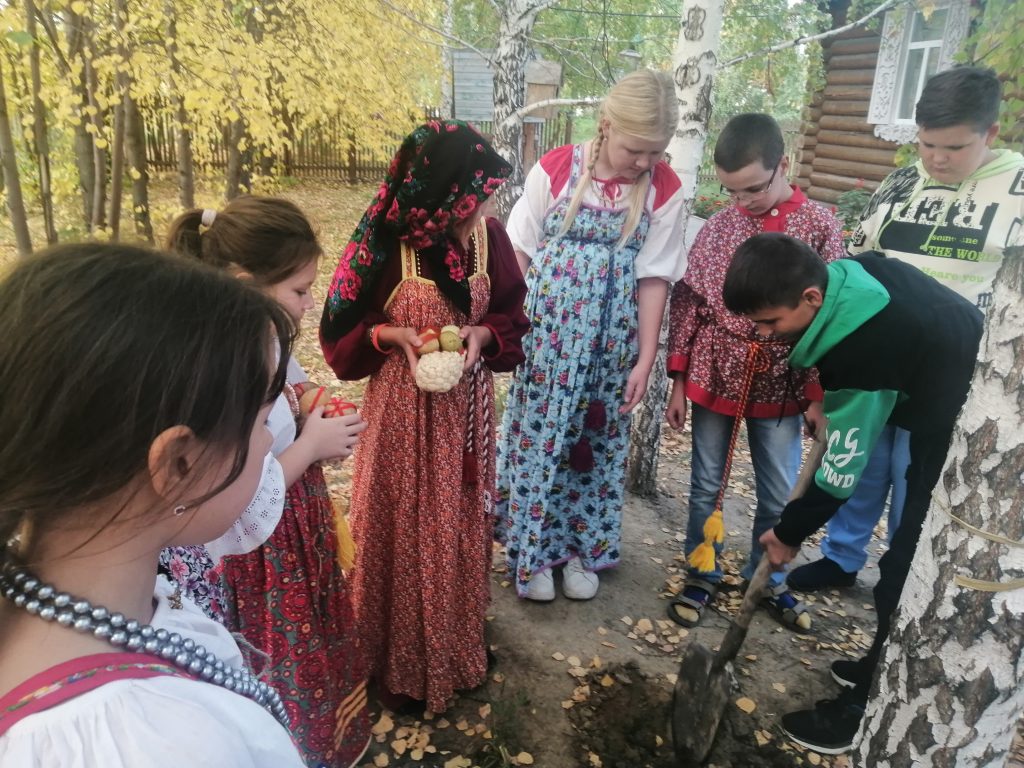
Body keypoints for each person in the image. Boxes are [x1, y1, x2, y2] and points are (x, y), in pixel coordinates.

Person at [0, 244, 305, 766]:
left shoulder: (106, 604)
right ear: (179, 465)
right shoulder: (164, 745)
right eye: (261, 424)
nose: (267, 441)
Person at [722, 232, 983, 754]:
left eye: (770, 322)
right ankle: (879, 663)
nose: (763, 334)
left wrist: (788, 532)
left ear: (811, 299)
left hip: (972, 420)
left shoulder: (868, 347)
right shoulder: (846, 275)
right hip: (935, 374)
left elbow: (841, 472)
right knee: (905, 563)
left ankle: (870, 704)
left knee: (907, 568)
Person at [788, 65, 1024, 593]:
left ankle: (902, 572)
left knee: (916, 479)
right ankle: (841, 557)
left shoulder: (1017, 187)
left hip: (955, 373)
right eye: (927, 144)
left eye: (954, 148)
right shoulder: (900, 183)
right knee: (863, 462)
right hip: (878, 360)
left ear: (991, 134)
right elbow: (856, 266)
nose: (937, 158)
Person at [320, 120, 529, 714]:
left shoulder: (489, 239)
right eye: (478, 190)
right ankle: (399, 667)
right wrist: (392, 335)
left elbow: (514, 315)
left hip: (464, 417)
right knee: (398, 529)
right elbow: (338, 334)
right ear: (446, 190)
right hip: (401, 419)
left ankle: (453, 652)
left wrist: (484, 334)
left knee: (457, 529)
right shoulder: (386, 246)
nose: (487, 202)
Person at [167, 197, 372, 768]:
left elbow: (292, 391)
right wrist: (309, 447)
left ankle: (326, 735)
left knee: (317, 633)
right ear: (242, 283)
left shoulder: (266, 338)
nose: (310, 303)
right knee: (285, 648)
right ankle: (297, 746)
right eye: (300, 291)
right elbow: (242, 489)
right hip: (264, 552)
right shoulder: (224, 362)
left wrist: (314, 407)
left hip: (294, 526)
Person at [495, 69, 687, 603]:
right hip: (548, 339)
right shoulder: (556, 168)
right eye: (636, 149)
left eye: (657, 152)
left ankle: (581, 550)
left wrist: (646, 357)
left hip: (613, 344)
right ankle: (532, 551)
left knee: (594, 444)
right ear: (606, 126)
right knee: (541, 437)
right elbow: (519, 254)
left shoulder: (663, 189)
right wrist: (509, 330)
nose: (645, 163)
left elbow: (654, 276)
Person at [664, 113, 844, 629]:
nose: (741, 202)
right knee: (705, 482)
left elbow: (828, 317)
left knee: (776, 488)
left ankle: (768, 579)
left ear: (781, 164)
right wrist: (678, 380)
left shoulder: (820, 227)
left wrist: (816, 395)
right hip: (716, 369)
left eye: (752, 189)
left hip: (786, 377)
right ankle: (702, 572)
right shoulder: (721, 227)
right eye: (730, 191)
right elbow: (691, 303)